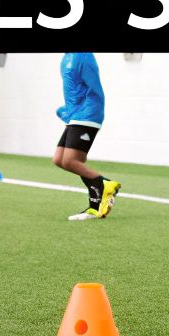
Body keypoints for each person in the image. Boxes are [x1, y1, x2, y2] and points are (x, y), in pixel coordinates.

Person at [56, 52, 121, 221]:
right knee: (59, 159)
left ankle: (105, 185)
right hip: (75, 115)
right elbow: (73, 90)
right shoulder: (66, 57)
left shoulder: (83, 56)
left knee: (70, 161)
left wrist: (88, 111)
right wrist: (67, 111)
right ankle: (95, 206)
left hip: (87, 114)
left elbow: (95, 88)